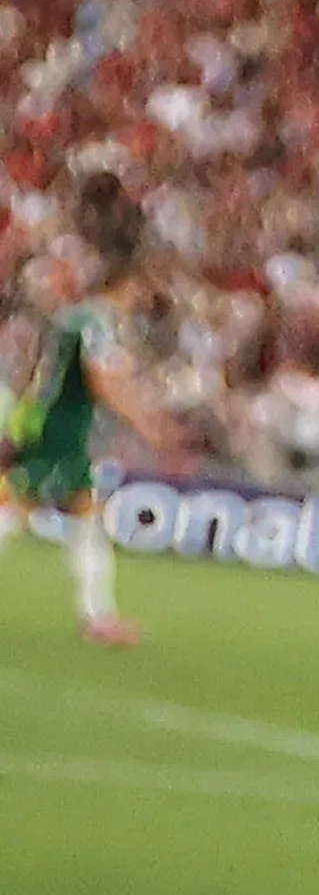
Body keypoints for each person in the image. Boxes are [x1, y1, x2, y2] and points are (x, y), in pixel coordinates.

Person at [12, 197, 131, 644]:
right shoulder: (91, 323)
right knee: (13, 508)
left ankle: (98, 615)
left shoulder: (68, 320)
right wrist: (143, 418)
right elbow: (101, 383)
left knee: (84, 517)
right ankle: (97, 617)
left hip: (48, 422)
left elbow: (38, 372)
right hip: (59, 429)